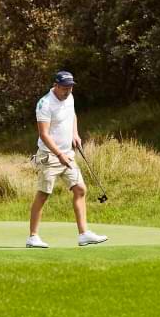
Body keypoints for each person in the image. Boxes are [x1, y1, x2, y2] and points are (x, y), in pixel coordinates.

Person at [26, 71, 108, 248]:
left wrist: (75, 133)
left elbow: (73, 115)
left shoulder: (69, 97)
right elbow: (44, 134)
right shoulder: (45, 104)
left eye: (70, 88)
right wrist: (59, 154)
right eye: (64, 88)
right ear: (56, 85)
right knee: (43, 194)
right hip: (49, 156)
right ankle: (33, 237)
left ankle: (84, 234)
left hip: (68, 154)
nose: (68, 91)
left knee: (80, 189)